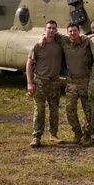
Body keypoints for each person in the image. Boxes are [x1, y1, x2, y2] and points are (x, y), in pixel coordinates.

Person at [25, 20, 63, 148]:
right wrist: (30, 83)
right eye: (49, 28)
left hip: (55, 81)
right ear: (44, 30)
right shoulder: (38, 46)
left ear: (56, 30)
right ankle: (36, 137)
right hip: (40, 81)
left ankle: (54, 134)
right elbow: (29, 64)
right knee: (39, 110)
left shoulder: (59, 44)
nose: (51, 30)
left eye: (53, 28)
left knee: (54, 110)